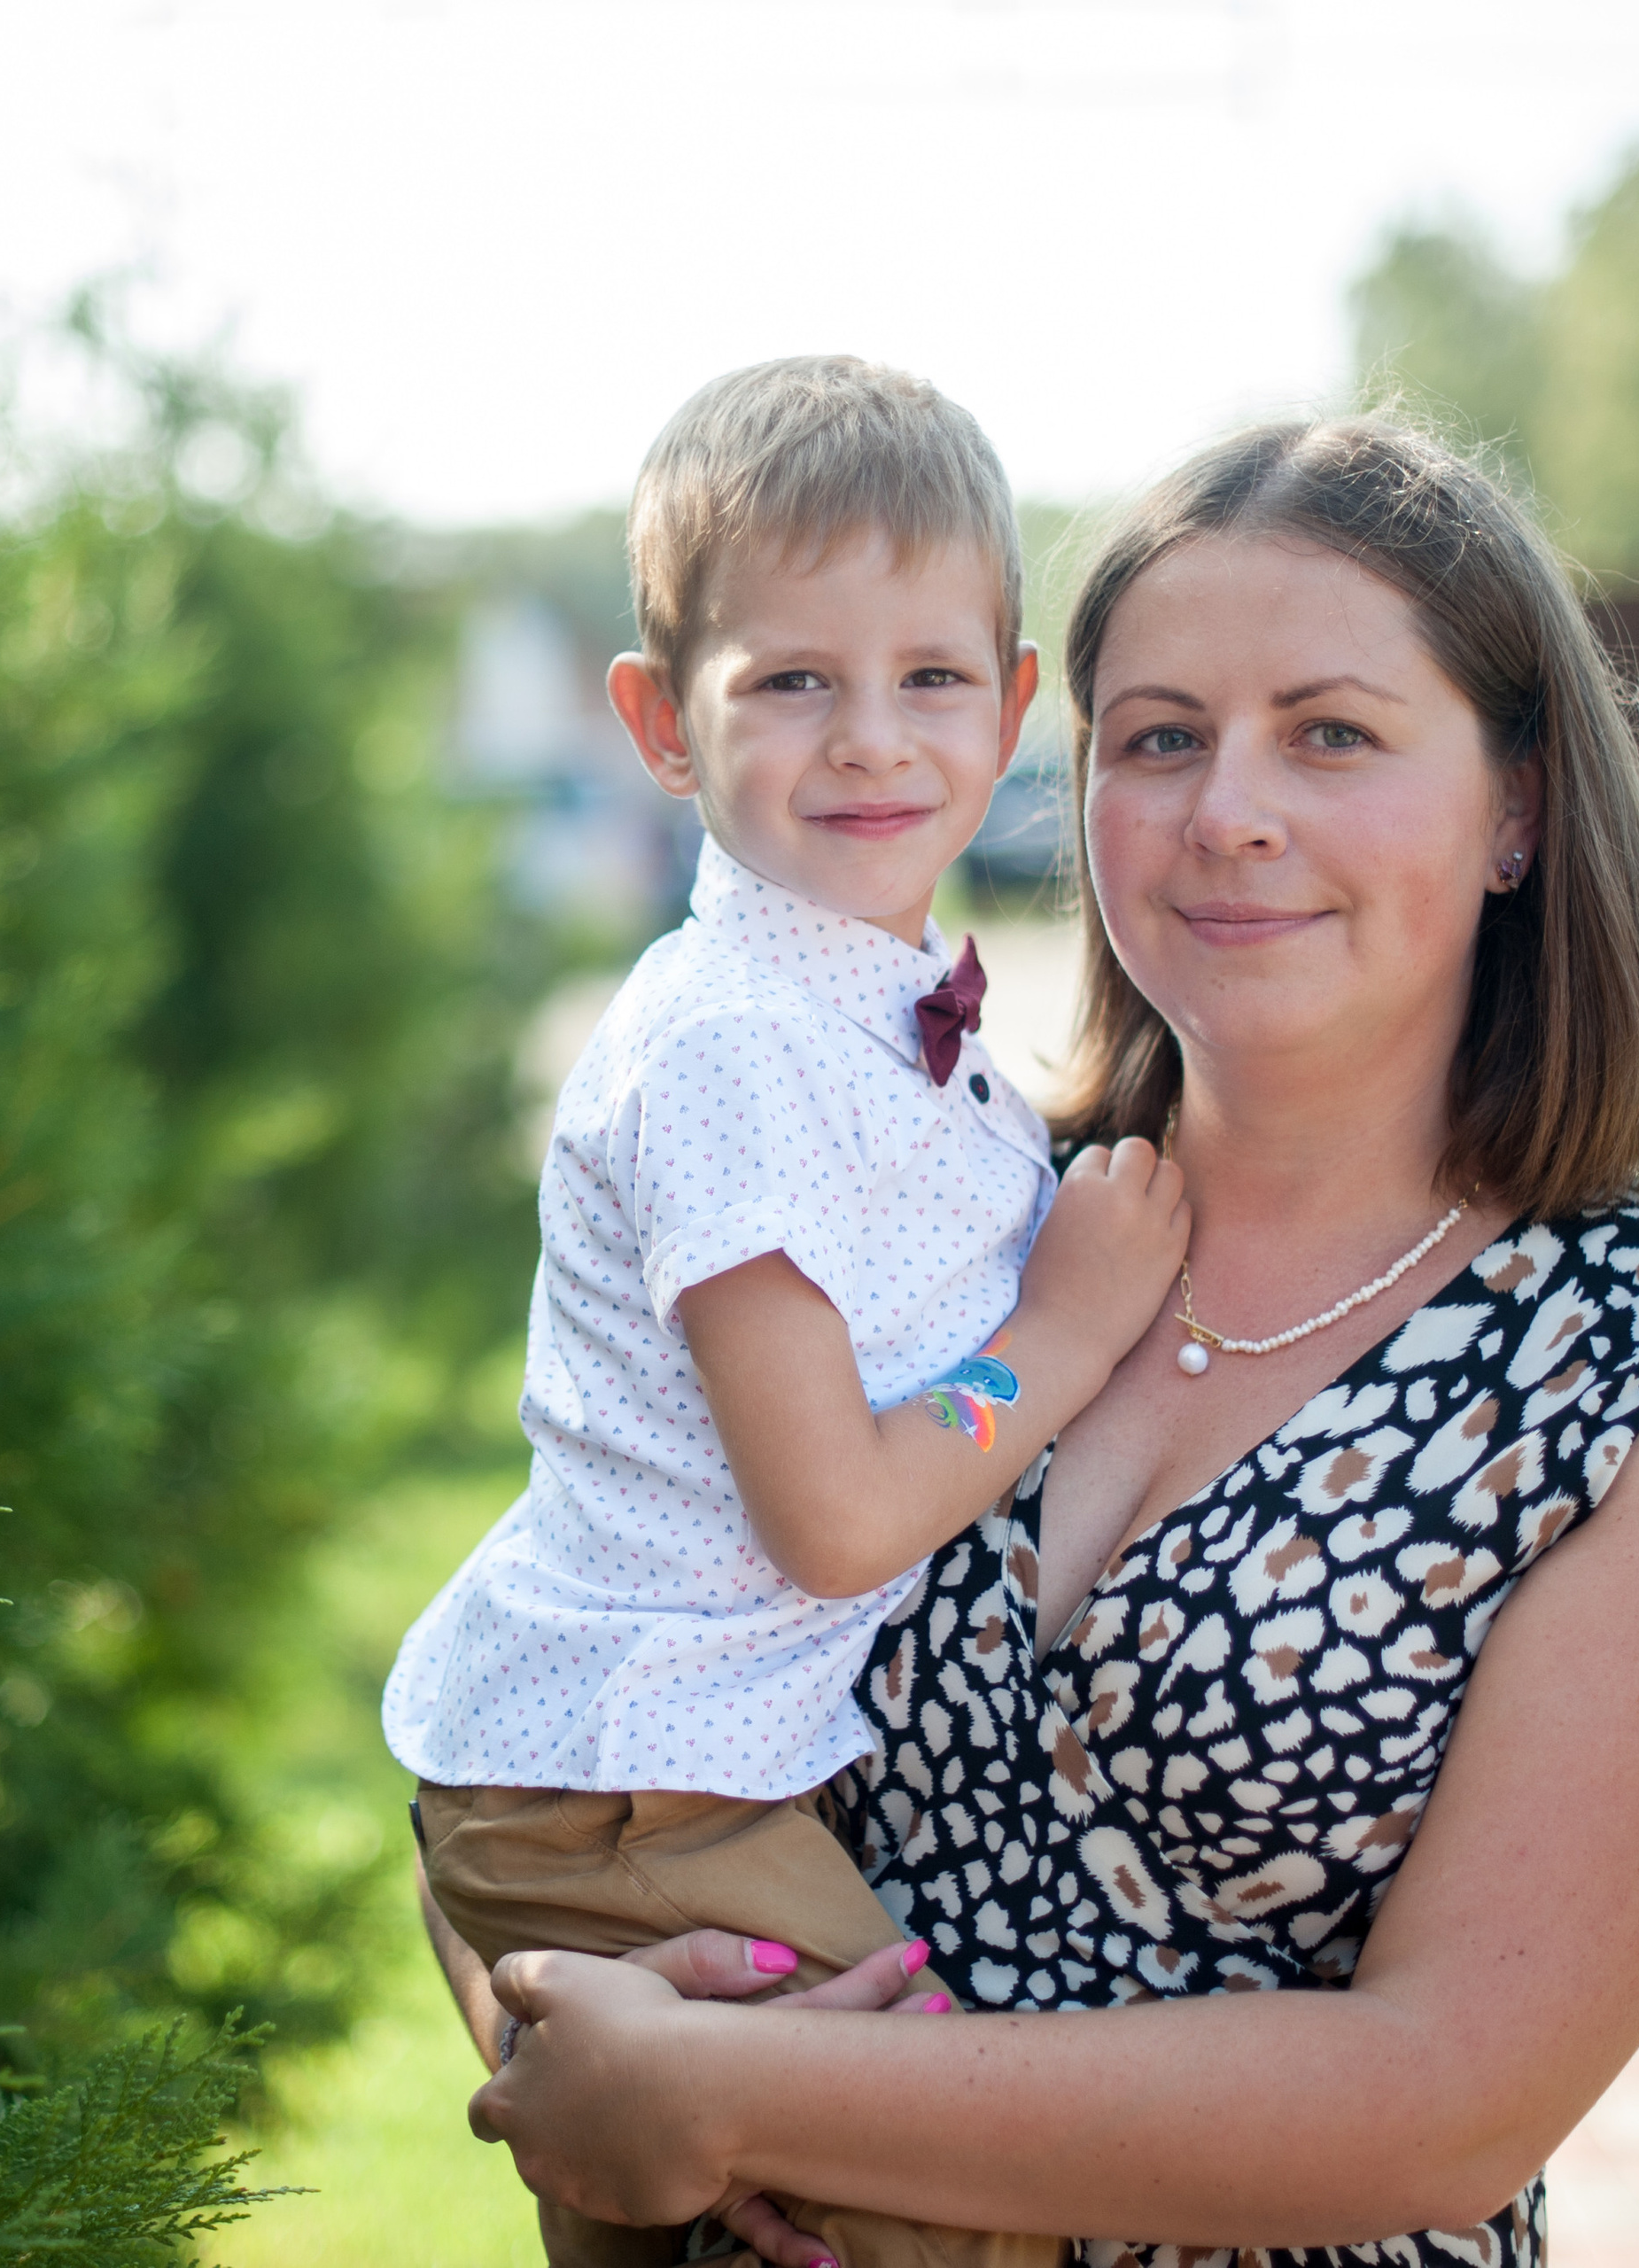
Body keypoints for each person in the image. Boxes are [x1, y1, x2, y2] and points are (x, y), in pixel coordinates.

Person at [447, 416, 1639, 2268]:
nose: (1224, 810)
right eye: (1158, 738)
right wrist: (549, 2017)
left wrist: (726, 2097)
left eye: (1327, 731)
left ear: (1516, 806)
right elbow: (563, 1651)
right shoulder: (967, 1204)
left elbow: (1443, 2100)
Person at [382, 356, 1191, 2268]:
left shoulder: (853, 991)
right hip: (622, 1795)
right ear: (663, 721)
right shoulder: (731, 1041)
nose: (868, 739)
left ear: (1008, 712)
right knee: (939, 2206)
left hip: (676, 1766)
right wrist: (1063, 1334)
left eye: (926, 678)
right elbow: (826, 1514)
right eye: (791, 680)